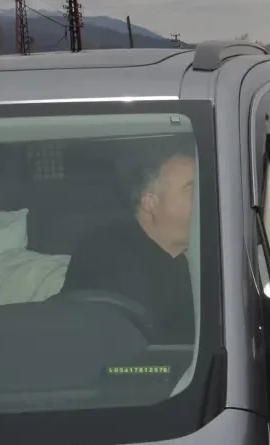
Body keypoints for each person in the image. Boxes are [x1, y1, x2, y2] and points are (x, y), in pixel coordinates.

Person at [62, 146, 196, 340]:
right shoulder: (107, 254)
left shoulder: (199, 251)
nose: (206, 197)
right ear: (151, 203)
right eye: (191, 190)